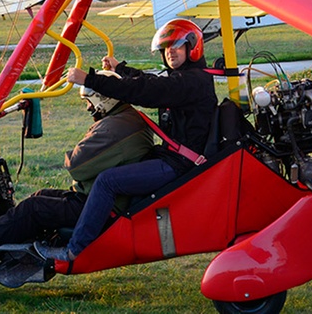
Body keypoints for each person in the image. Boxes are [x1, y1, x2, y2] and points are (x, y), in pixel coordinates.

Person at [36, 19, 217, 262]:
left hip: (179, 165)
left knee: (107, 181)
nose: (170, 52)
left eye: (177, 45)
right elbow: (152, 83)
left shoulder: (192, 82)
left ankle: (75, 250)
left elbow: (147, 91)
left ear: (192, 48)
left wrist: (89, 80)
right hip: (171, 158)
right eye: (166, 48)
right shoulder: (185, 79)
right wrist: (120, 69)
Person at [0, 72, 154, 250]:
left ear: (103, 100)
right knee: (40, 195)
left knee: (32, 208)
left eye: (89, 102)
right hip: (104, 199)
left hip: (99, 206)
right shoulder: (126, 118)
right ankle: (14, 245)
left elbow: (76, 166)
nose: (88, 107)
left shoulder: (113, 128)